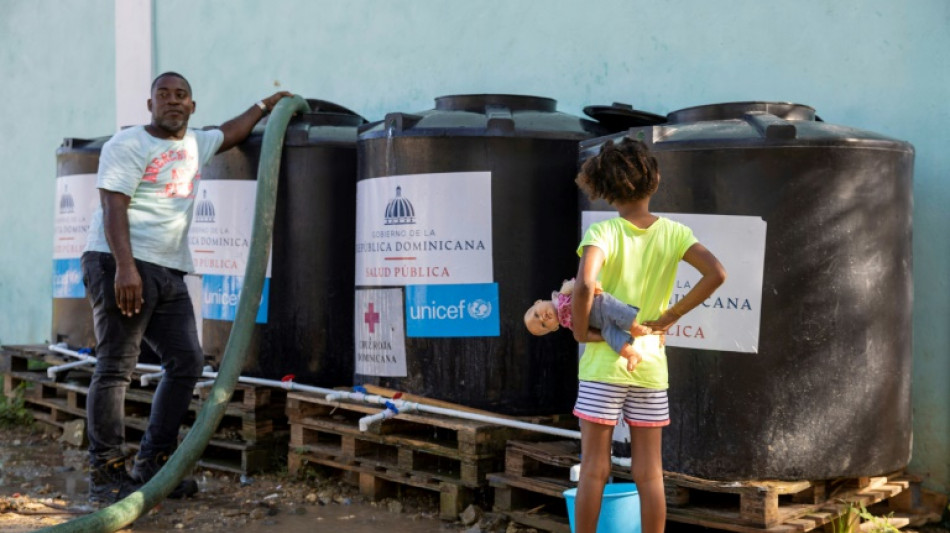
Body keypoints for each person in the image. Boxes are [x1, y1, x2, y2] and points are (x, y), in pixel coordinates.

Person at [81, 71, 292, 504]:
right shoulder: (127, 144)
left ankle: (154, 464)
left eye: (182, 96)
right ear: (150, 104)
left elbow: (231, 132)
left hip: (169, 269)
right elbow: (112, 205)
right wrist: (124, 267)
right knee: (117, 366)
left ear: (192, 106)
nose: (173, 102)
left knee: (187, 360)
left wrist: (265, 106)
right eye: (164, 95)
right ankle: (105, 472)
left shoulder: (196, 143)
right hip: (120, 262)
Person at [570, 137, 726, 533]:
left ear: (605, 189)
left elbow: (586, 285)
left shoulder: (602, 232)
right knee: (650, 473)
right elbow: (717, 273)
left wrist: (580, 328)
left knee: (593, 469)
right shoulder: (674, 233)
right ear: (653, 181)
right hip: (650, 363)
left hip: (604, 364)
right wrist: (670, 315)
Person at [523, 279, 652, 371]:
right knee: (611, 338)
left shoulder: (560, 296)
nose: (543, 318)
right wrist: (601, 337)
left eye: (536, 314)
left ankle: (635, 327)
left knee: (618, 310)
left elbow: (577, 285)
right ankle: (631, 354)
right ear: (555, 328)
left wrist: (592, 286)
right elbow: (586, 333)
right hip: (601, 324)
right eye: (544, 325)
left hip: (599, 304)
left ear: (538, 302)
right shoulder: (567, 324)